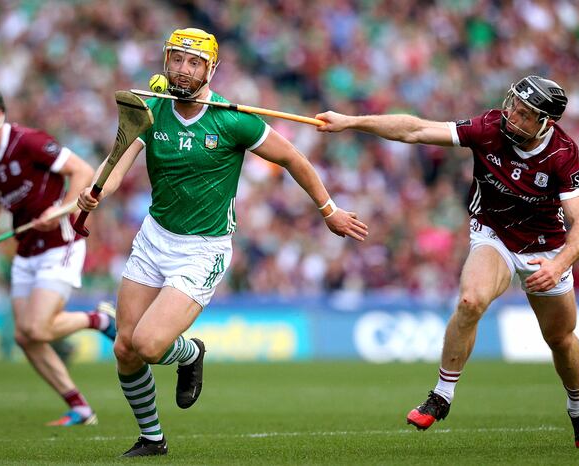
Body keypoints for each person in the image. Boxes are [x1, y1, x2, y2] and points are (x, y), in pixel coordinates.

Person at [77, 27, 368, 457]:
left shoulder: (233, 119)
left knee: (149, 345)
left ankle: (191, 352)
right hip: (154, 237)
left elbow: (292, 158)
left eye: (194, 62)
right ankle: (152, 439)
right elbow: (118, 158)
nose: (183, 68)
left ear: (211, 69)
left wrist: (329, 211)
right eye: (176, 59)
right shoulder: (153, 108)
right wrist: (97, 188)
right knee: (124, 347)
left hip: (202, 249)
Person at [316, 75, 579, 448]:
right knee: (470, 301)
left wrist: (559, 264)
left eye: (525, 114)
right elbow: (416, 130)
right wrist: (352, 122)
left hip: (545, 248)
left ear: (546, 122)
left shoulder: (562, 155)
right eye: (513, 103)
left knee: (560, 338)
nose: (512, 115)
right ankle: (442, 395)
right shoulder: (488, 127)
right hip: (494, 233)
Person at [0, 86, 117, 426]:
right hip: (26, 250)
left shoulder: (28, 141)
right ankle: (80, 408)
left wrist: (60, 209)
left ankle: (99, 320)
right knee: (24, 336)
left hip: (60, 243)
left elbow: (84, 172)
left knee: (38, 328)